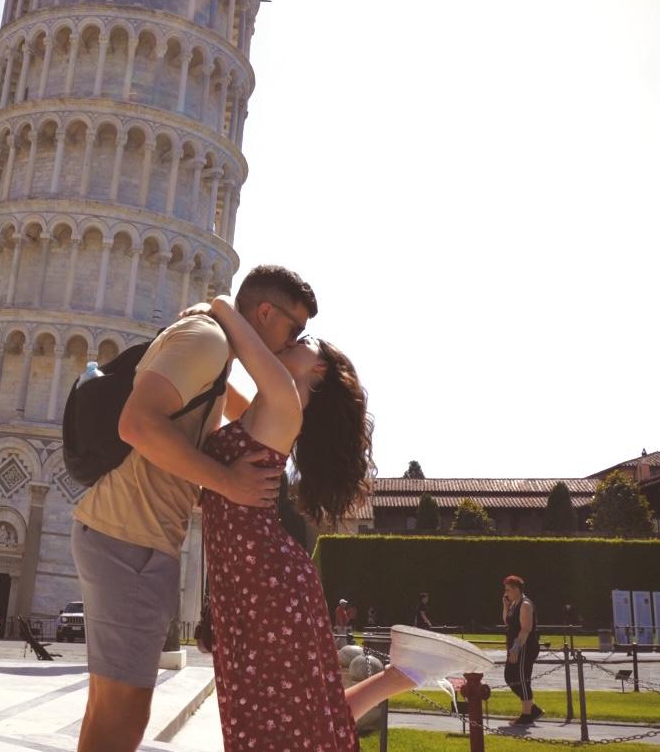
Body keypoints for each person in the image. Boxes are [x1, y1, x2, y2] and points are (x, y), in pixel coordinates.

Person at [200, 295, 489, 751]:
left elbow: (235, 327)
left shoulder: (284, 398)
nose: (294, 340)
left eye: (306, 340)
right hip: (252, 574)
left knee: (274, 715)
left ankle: (404, 674)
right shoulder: (270, 408)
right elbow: (221, 394)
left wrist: (214, 304)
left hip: (263, 578)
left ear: (318, 369)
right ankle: (404, 673)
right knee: (301, 711)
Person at [71, 265, 319, 752]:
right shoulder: (207, 340)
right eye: (294, 329)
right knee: (124, 712)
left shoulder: (214, 346)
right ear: (265, 312)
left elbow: (242, 412)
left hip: (128, 536)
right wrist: (227, 482)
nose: (293, 341)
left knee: (109, 707)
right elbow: (137, 425)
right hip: (131, 538)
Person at [502, 575, 543, 725]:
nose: (506, 593)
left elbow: (525, 629)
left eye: (508, 590)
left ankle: (526, 716)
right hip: (515, 646)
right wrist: (506, 606)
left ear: (517, 589)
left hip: (524, 647)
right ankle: (533, 709)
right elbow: (507, 621)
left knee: (522, 679)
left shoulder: (525, 604)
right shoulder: (514, 604)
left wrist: (515, 650)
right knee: (509, 677)